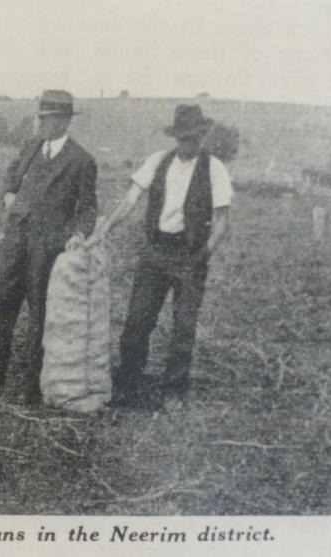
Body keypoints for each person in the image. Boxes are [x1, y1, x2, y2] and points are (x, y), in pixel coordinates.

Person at [90, 104, 233, 409]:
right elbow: (130, 199)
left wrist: (203, 254)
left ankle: (174, 390)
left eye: (193, 138)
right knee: (137, 321)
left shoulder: (215, 168)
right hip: (156, 252)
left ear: (202, 136)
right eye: (183, 137)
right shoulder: (157, 162)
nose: (188, 143)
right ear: (175, 136)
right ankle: (128, 382)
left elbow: (221, 220)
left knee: (183, 326)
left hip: (190, 255)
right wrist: (103, 231)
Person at [0, 90, 98, 404]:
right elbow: (8, 178)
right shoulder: (30, 147)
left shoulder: (81, 161)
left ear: (65, 121)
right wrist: (6, 197)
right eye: (40, 118)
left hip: (49, 247)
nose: (42, 124)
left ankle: (33, 390)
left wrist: (79, 235)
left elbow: (87, 208)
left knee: (42, 317)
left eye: (49, 119)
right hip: (15, 240)